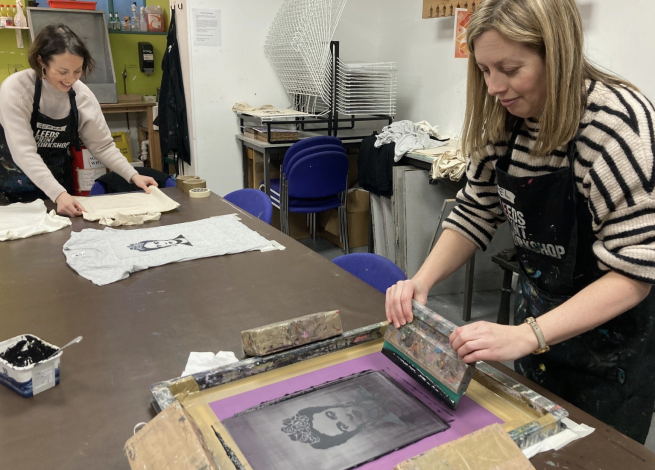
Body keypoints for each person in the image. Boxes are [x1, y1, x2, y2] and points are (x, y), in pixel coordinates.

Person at [386, 0, 655, 444]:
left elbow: (635, 271)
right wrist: (422, 280)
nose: (494, 87)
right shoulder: (503, 120)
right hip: (534, 329)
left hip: (611, 353)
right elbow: (476, 210)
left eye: (510, 69)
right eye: (485, 70)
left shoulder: (615, 128)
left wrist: (529, 335)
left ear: (559, 54)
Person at [0, 24, 157, 216]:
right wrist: (58, 194)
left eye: (77, 71)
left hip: (58, 186)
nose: (71, 79)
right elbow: (24, 152)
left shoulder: (82, 96)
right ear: (41, 61)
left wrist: (133, 175)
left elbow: (103, 146)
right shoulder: (17, 90)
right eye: (63, 71)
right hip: (9, 191)